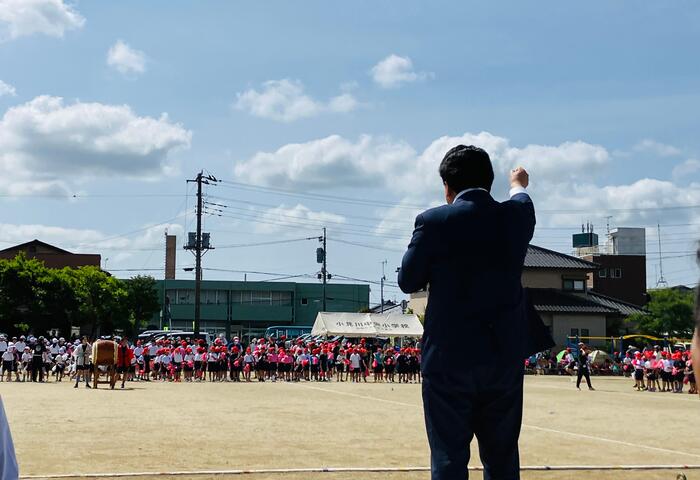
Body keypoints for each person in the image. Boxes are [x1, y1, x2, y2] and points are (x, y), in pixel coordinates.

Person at [398, 145, 536, 480]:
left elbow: (407, 280)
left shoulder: (433, 221)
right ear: (489, 182)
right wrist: (517, 182)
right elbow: (521, 198)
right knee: (502, 458)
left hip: (448, 356)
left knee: (448, 456)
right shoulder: (516, 216)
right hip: (503, 356)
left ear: (447, 186)